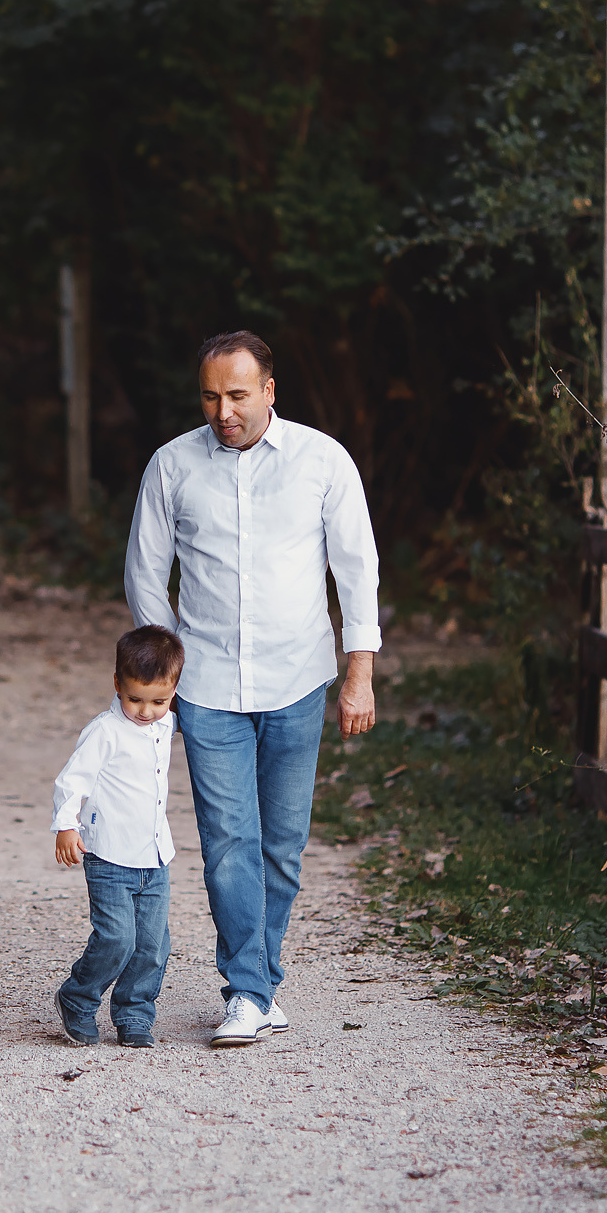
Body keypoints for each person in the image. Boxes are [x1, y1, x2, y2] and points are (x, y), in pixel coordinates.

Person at [125, 330, 381, 1049]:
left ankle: (259, 979)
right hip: (205, 683)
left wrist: (358, 673)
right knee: (228, 840)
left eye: (237, 394)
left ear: (269, 390)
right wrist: (165, 669)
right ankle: (246, 989)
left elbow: (356, 570)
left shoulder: (323, 461)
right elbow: (146, 573)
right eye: (210, 395)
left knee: (283, 846)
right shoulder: (173, 465)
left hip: (298, 677)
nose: (223, 410)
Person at [50, 625, 185, 1050]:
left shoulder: (167, 723)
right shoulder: (105, 731)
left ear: (174, 691)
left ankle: (133, 1014)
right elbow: (72, 780)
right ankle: (78, 997)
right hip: (109, 854)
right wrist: (66, 825)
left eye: (158, 701)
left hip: (155, 856)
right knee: (116, 938)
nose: (146, 711)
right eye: (135, 699)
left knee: (151, 945)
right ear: (117, 685)